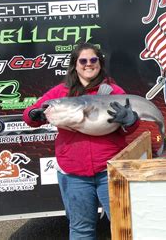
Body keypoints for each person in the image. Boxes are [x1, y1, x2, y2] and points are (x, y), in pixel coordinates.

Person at [23, 42, 140, 239]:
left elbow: (130, 128)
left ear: (100, 63)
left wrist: (131, 120)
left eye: (93, 60)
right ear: (75, 65)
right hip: (74, 173)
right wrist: (33, 114)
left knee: (124, 226)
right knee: (81, 229)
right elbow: (30, 114)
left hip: (109, 171)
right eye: (83, 60)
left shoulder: (114, 91)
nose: (88, 64)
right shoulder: (61, 92)